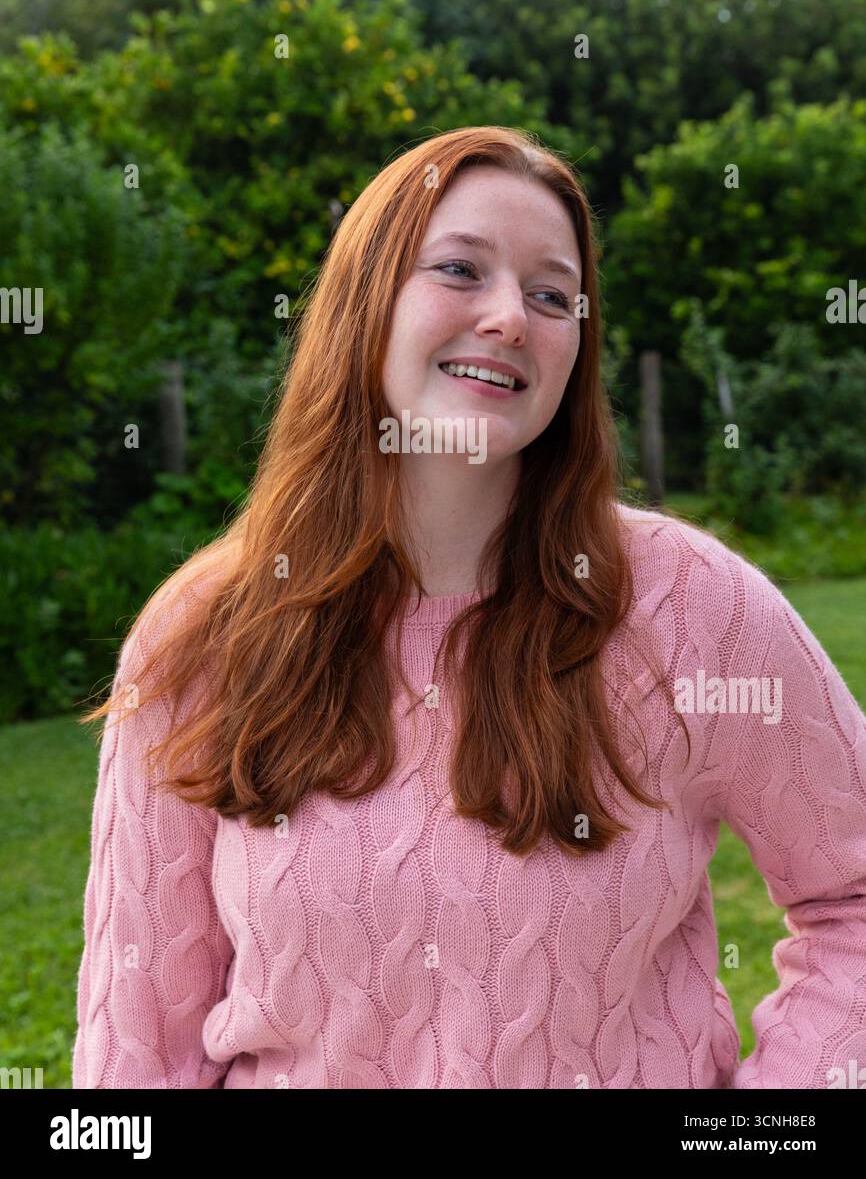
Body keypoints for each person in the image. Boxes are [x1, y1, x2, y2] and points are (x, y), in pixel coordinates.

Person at [73, 125, 866, 1089]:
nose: (509, 317)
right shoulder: (201, 636)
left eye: (550, 294)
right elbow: (138, 1051)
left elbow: (853, 898)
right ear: (365, 304)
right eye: (460, 269)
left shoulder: (691, 607)